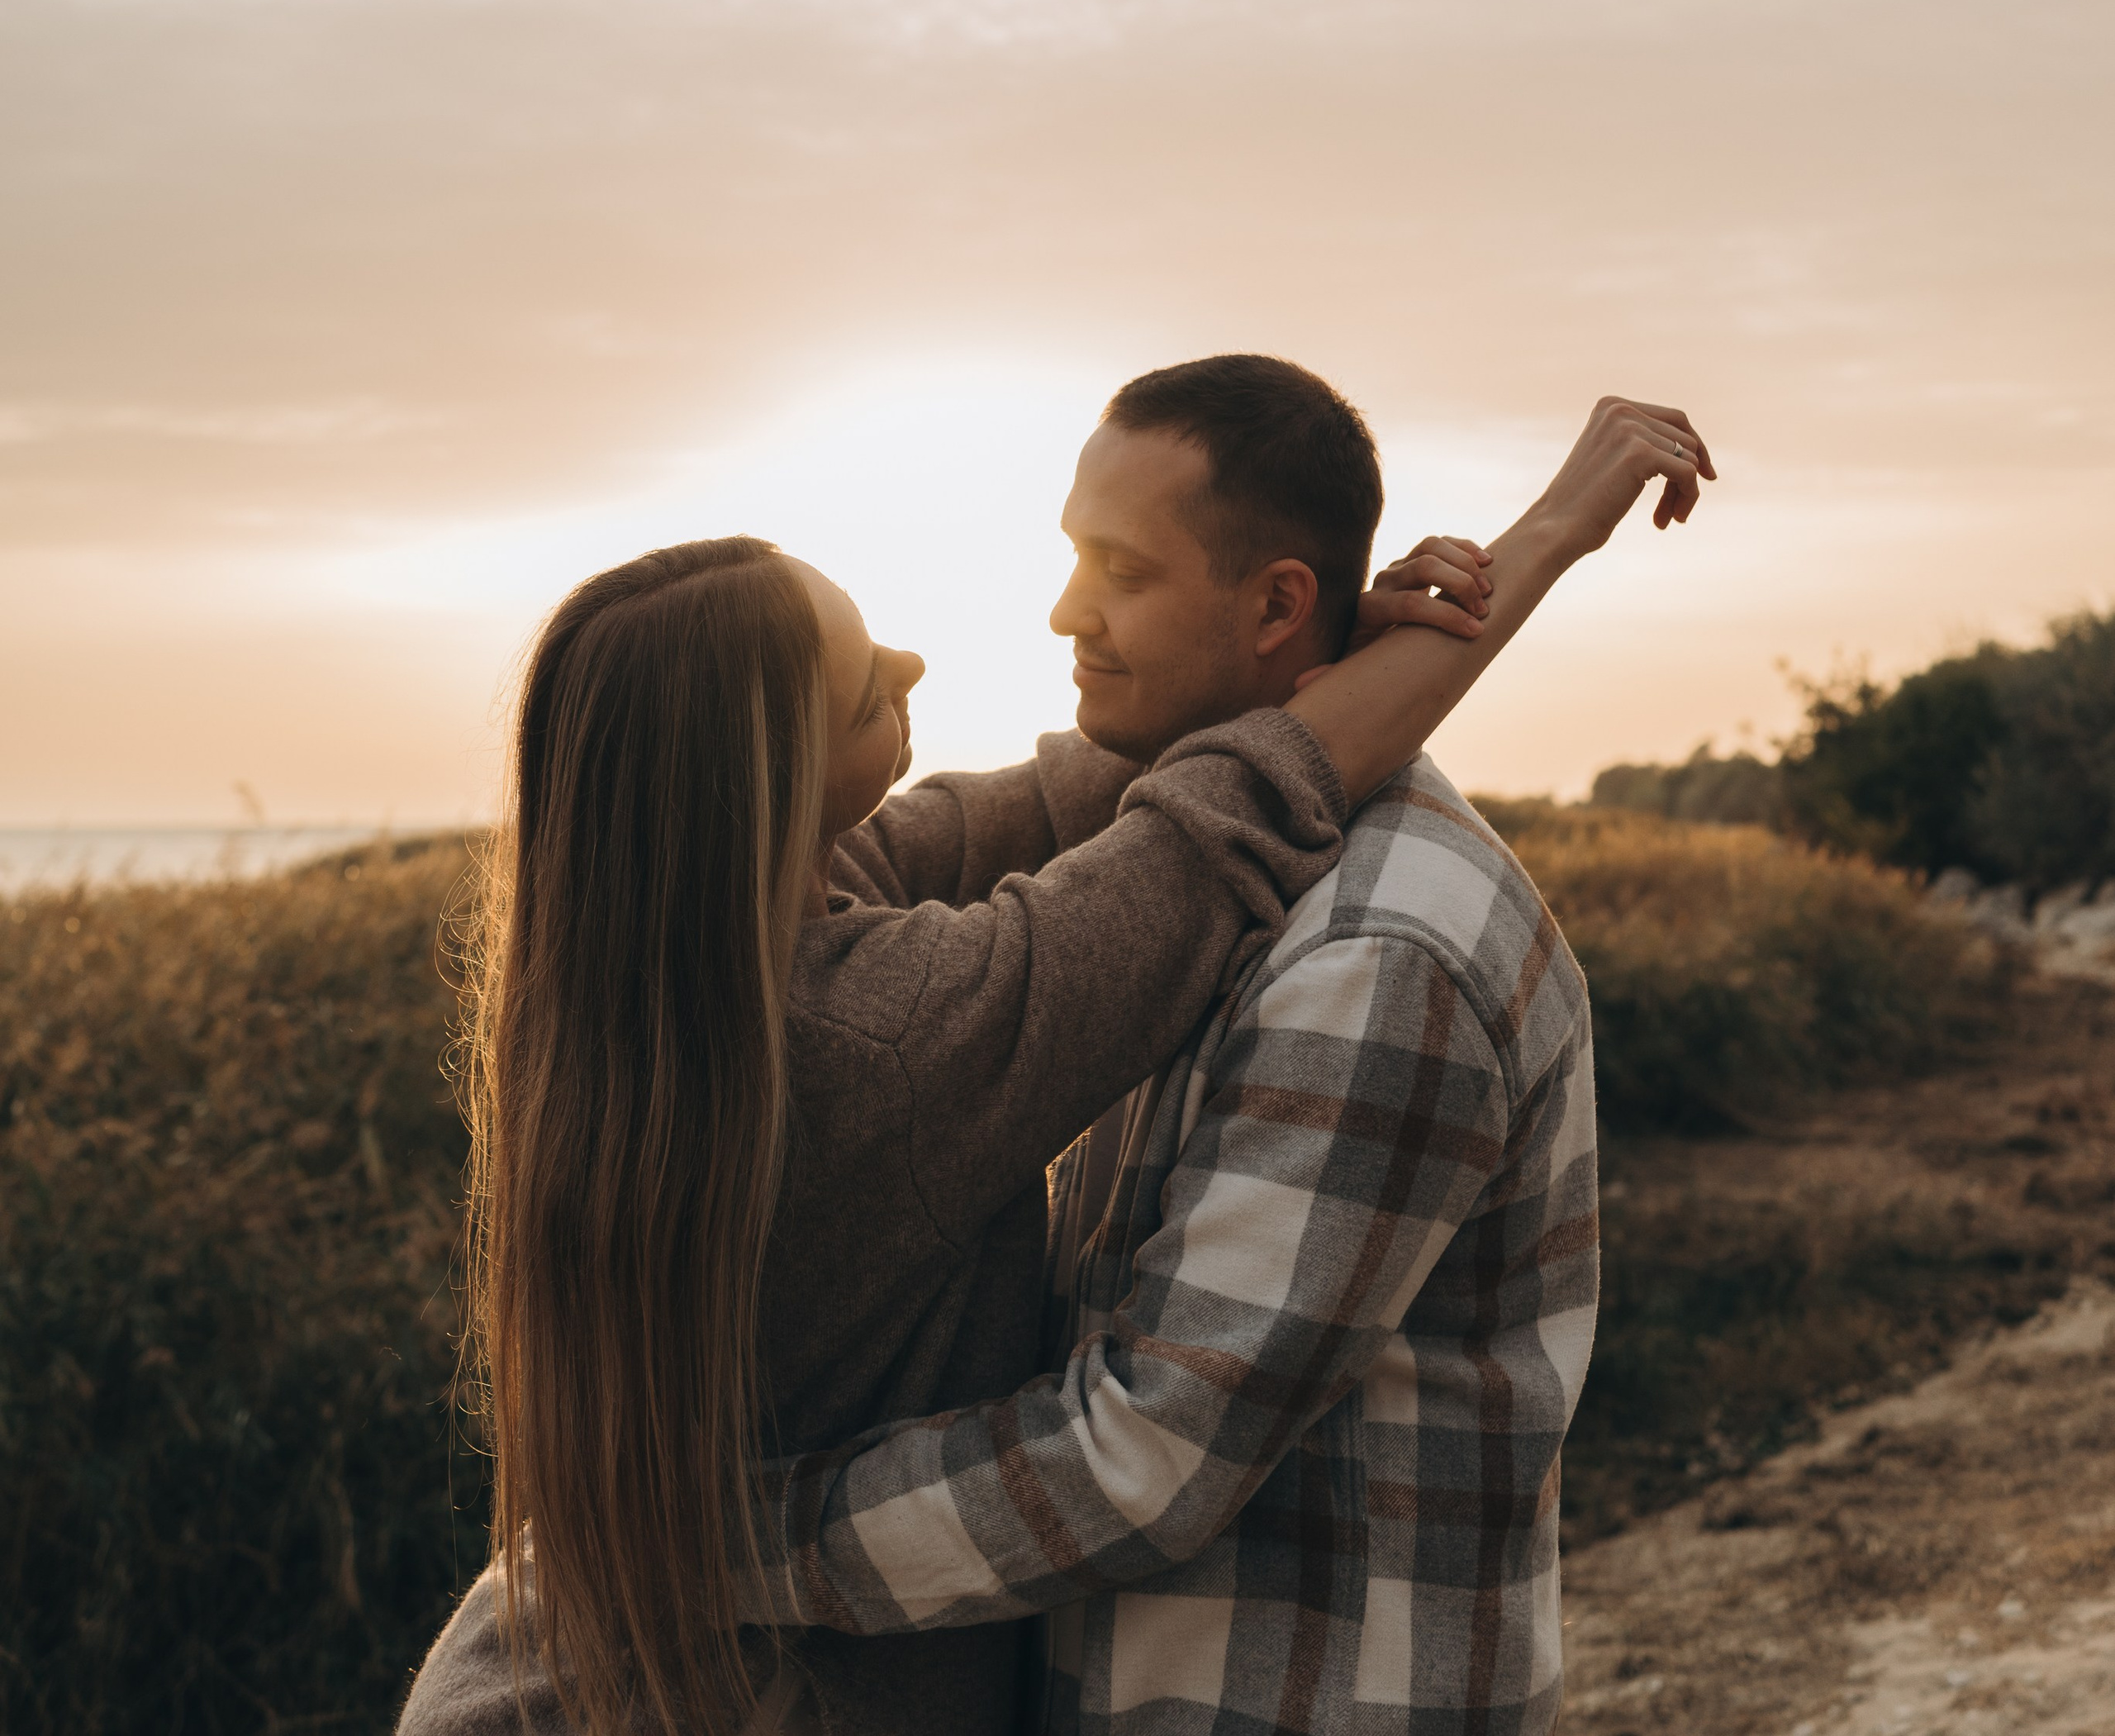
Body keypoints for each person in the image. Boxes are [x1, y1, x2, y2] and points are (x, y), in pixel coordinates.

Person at [397, 376, 1540, 1736]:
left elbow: (1087, 793)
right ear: (768, 777)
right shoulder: (877, 1034)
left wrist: (1330, 638)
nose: (916, 668)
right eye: (863, 674)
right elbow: (1201, 828)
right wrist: (1549, 534)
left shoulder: (649, 996)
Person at [748, 366, 1714, 1736]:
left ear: (1272, 604)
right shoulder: (1188, 883)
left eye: (1119, 570)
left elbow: (1141, 1456)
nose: (1065, 611)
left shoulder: (1378, 955)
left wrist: (727, 1548)